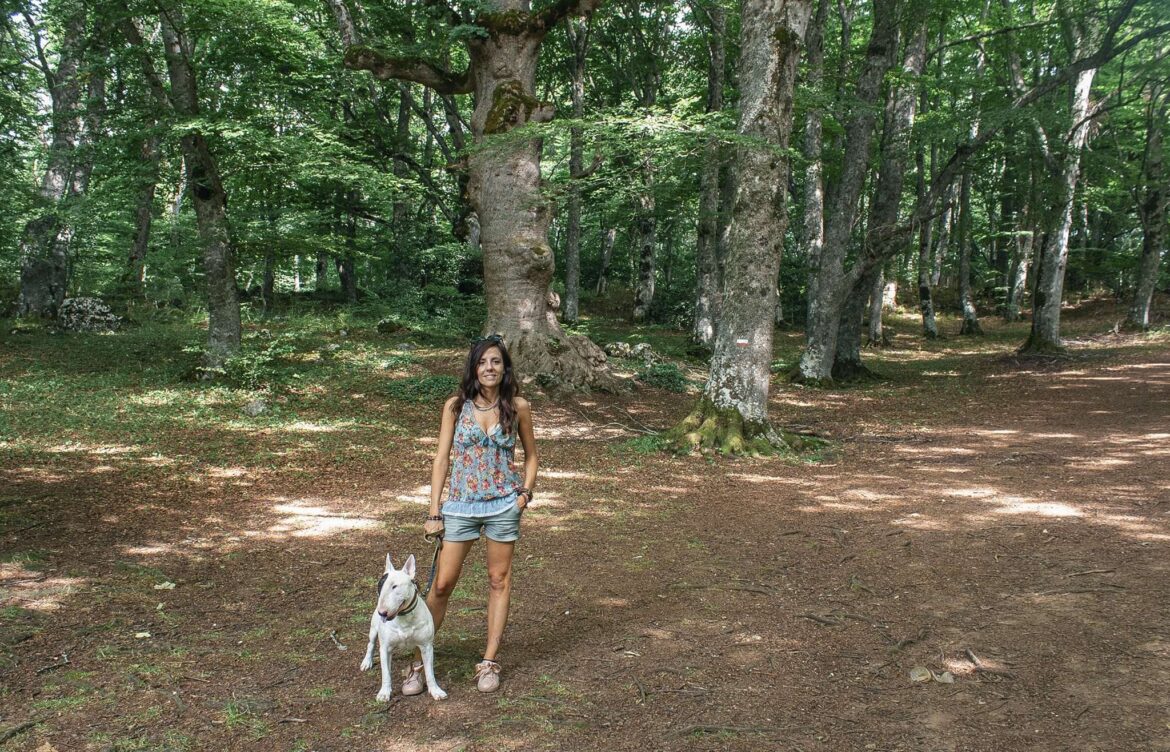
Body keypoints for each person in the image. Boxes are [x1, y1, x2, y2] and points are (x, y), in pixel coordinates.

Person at [403, 334, 537, 695]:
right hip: (460, 505)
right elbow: (441, 459)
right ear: (473, 368)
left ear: (505, 367)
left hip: (503, 505)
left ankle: (489, 661)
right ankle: (418, 663)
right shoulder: (455, 406)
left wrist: (524, 493)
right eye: (482, 362)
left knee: (498, 580)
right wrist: (434, 511)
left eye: (495, 361)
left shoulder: (518, 407)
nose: (489, 368)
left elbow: (532, 455)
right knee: (442, 584)